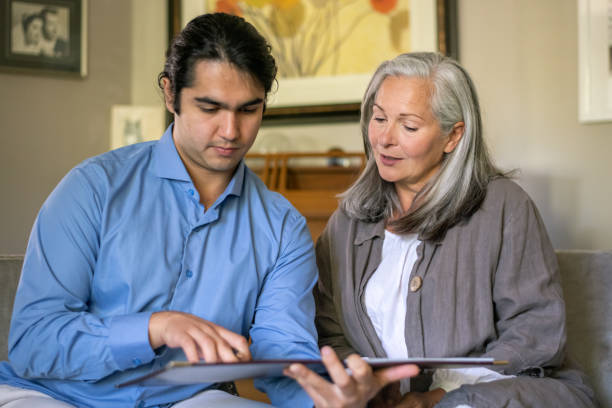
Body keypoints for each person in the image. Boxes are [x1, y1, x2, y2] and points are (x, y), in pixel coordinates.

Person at [0, 13, 321, 408]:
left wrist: (329, 396)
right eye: (210, 108)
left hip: (186, 401)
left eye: (248, 110)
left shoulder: (282, 226)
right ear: (170, 94)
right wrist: (155, 328)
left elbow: (284, 358)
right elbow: (35, 344)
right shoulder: (93, 188)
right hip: (53, 394)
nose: (231, 131)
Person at [284, 52, 598, 407]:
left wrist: (435, 398)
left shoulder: (505, 207)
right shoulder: (348, 220)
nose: (385, 139)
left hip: (494, 397)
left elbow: (533, 333)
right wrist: (366, 386)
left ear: (453, 136)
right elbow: (329, 328)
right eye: (379, 118)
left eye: (409, 126)